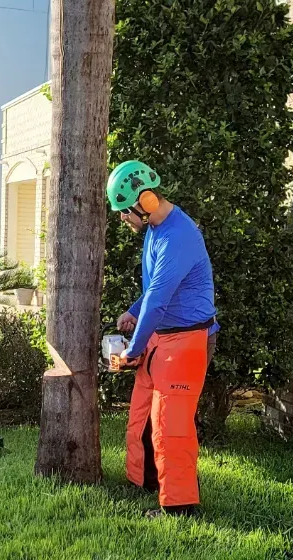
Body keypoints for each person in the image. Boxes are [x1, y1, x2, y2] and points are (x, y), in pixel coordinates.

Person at [106, 159, 218, 518]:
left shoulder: (179, 236)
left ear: (147, 201)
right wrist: (133, 312)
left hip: (187, 342)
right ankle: (146, 481)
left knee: (172, 428)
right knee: (143, 414)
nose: (123, 219)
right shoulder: (155, 229)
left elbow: (159, 298)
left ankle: (179, 505)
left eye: (125, 212)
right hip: (162, 337)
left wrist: (131, 351)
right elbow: (154, 289)